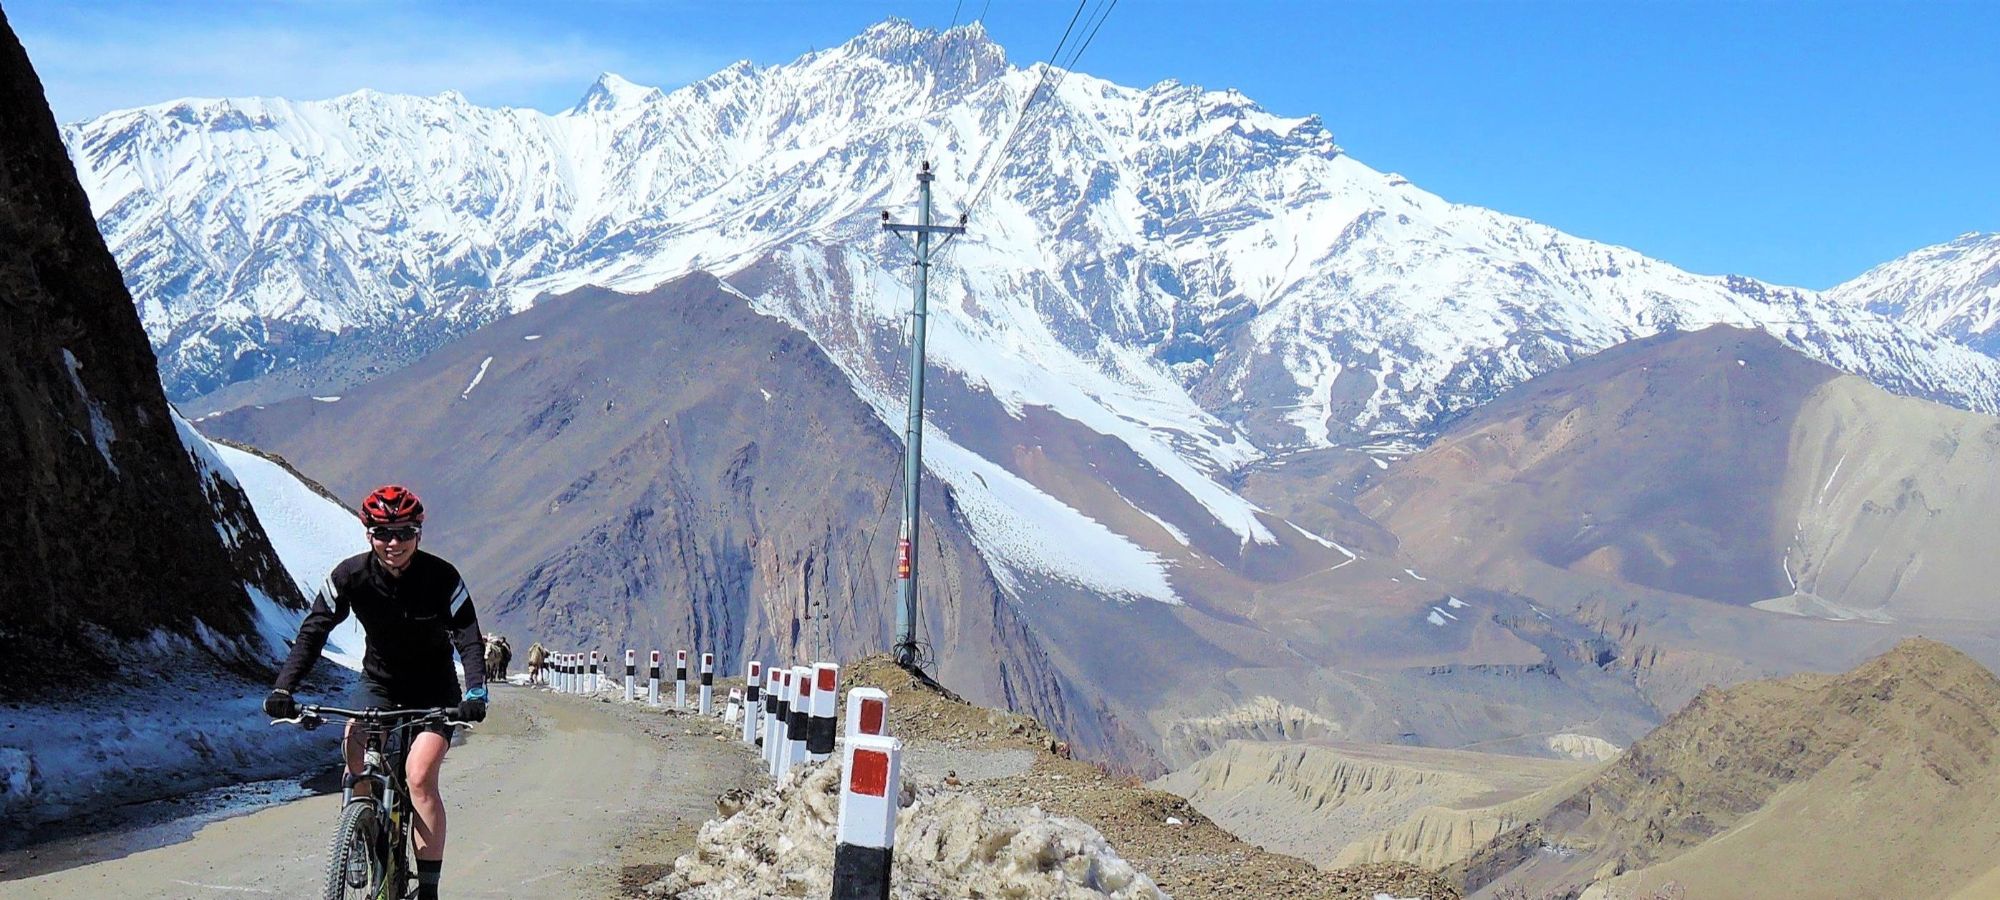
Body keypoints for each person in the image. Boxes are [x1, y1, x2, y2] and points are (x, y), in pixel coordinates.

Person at [263, 484, 487, 900]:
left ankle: (429, 890)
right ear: (368, 533)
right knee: (354, 751)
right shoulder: (350, 576)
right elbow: (313, 633)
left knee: (418, 776)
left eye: (403, 532)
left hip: (434, 691)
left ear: (418, 532)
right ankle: (364, 834)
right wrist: (283, 688)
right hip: (378, 684)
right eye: (383, 533)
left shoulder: (442, 577)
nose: (393, 542)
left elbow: (469, 637)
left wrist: (475, 693)